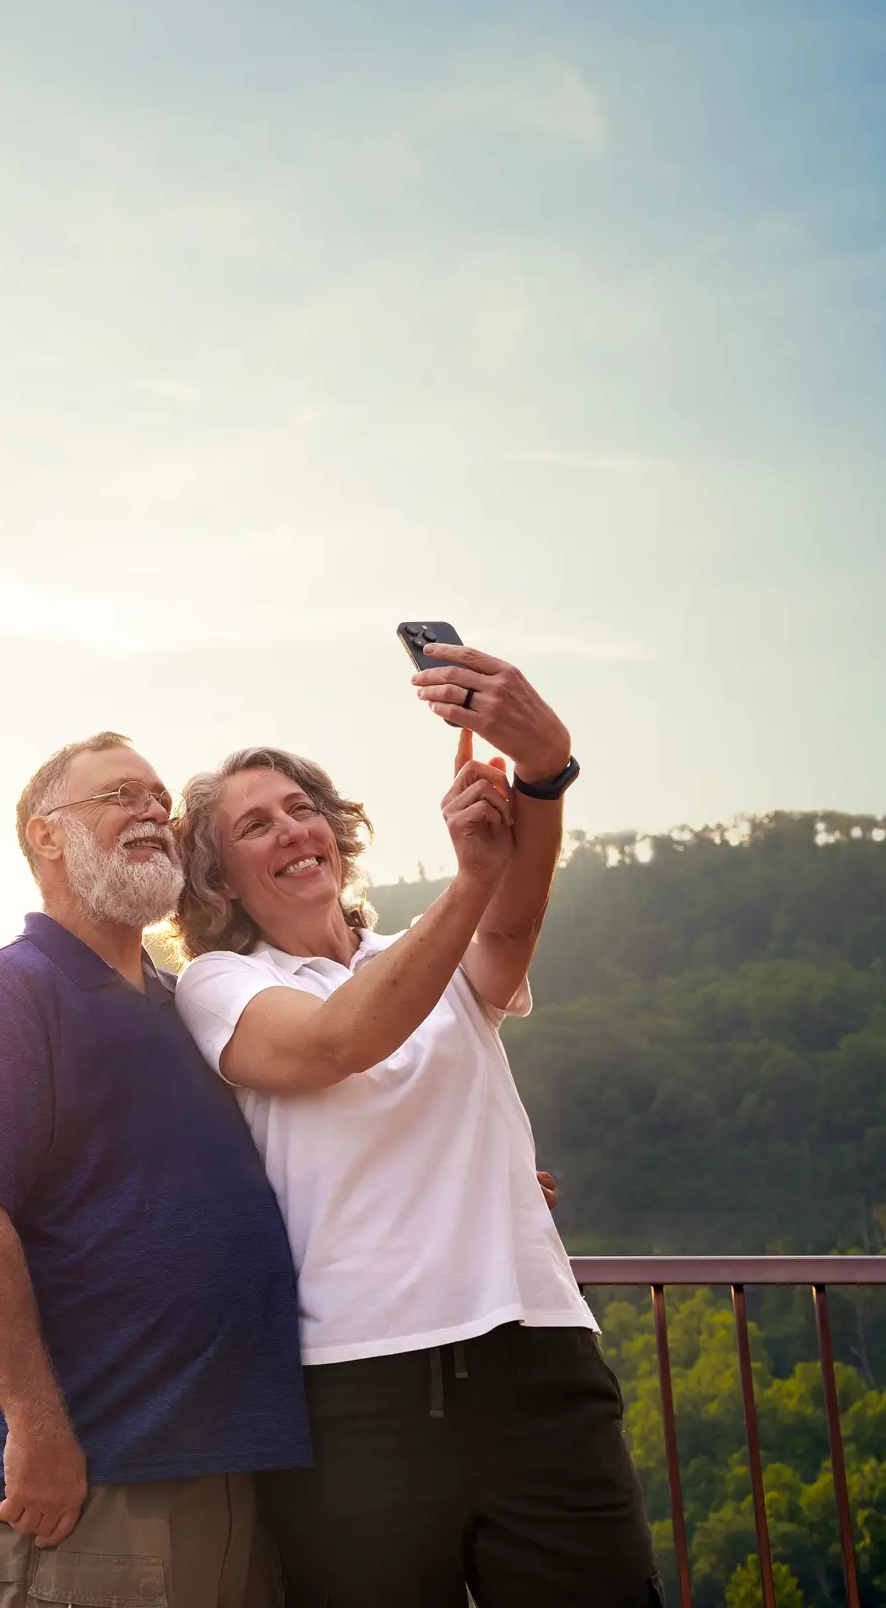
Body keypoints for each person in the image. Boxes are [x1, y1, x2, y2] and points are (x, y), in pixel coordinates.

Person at [168, 642, 659, 1607]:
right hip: (356, 1400)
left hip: (539, 1364)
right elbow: (335, 1042)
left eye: (303, 806)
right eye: (254, 825)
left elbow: (507, 937)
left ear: (339, 832)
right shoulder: (221, 982)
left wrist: (543, 771)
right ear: (221, 879)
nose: (291, 829)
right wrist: (471, 879)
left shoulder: (421, 956)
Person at [0, 731, 312, 1608]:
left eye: (157, 798)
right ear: (45, 835)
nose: (151, 811)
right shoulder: (12, 990)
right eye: (119, 796)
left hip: (243, 1466)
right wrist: (34, 1425)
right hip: (102, 1473)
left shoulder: (190, 1003)